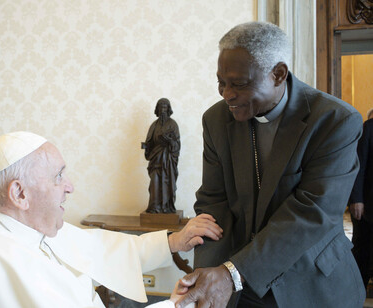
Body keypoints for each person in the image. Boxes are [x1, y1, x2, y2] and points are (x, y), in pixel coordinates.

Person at [175, 21, 365, 308]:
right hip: (242, 287)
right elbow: (214, 204)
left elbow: (312, 212)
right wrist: (205, 280)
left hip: (314, 285)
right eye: (221, 82)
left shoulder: (335, 121)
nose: (226, 94)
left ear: (278, 74)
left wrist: (229, 275)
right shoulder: (216, 120)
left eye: (238, 84)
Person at [0, 131, 222, 308]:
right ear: (19, 194)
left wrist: (172, 242)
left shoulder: (21, 225)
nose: (70, 186)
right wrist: (174, 306)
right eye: (58, 176)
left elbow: (98, 248)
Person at [142, 98, 181, 213]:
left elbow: (177, 144)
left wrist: (170, 141)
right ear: (157, 109)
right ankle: (154, 207)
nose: (163, 110)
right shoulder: (153, 125)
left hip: (168, 161)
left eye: (165, 107)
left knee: (167, 183)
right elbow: (149, 142)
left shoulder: (173, 124)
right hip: (155, 159)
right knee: (154, 183)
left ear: (168, 109)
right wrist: (146, 147)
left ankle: (167, 207)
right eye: (160, 107)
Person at [350, 110, 373, 288]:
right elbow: (358, 164)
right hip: (367, 205)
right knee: (362, 249)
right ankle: (357, 290)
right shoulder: (369, 128)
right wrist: (356, 199)